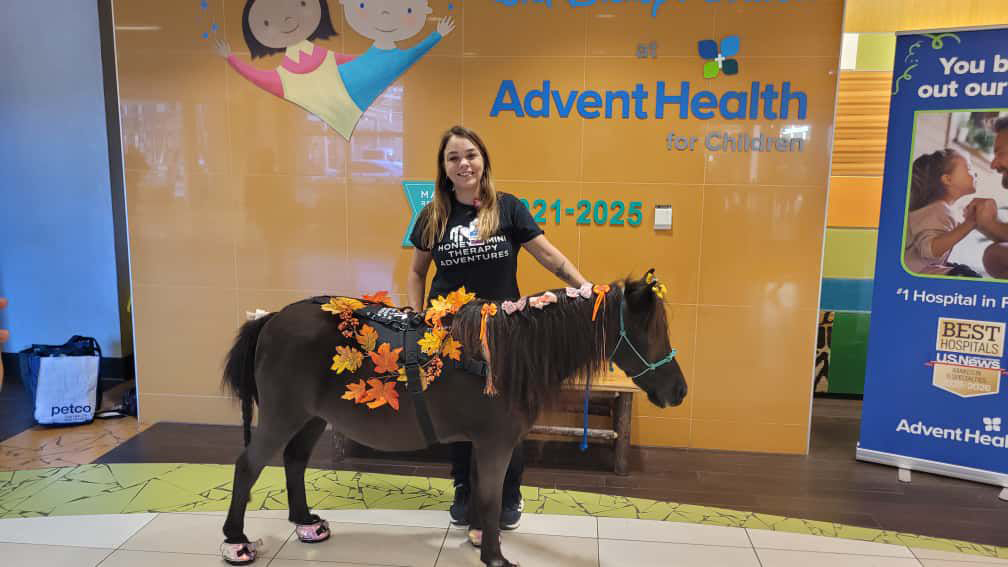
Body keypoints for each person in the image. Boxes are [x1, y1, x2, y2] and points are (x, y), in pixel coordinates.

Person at [407, 125, 588, 530]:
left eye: (469, 154)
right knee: (457, 415)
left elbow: (550, 258)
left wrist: (585, 288)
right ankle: (463, 490)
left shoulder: (508, 208)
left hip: (505, 333)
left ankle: (509, 493)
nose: (463, 163)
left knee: (508, 415)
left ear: (483, 159)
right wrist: (417, 318)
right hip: (449, 333)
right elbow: (417, 272)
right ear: (444, 168)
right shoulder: (433, 214)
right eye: (453, 157)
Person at [216, 0, 453, 140]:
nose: (288, 22)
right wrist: (231, 59)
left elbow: (366, 63)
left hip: (347, 103)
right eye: (267, 23)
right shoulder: (285, 76)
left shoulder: (329, 59)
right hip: (343, 105)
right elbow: (260, 77)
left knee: (389, 61)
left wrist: (436, 36)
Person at [904, 148, 982, 276]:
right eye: (969, 169)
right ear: (947, 179)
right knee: (967, 275)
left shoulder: (940, 210)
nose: (975, 173)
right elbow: (930, 250)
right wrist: (968, 224)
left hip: (925, 268)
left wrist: (966, 222)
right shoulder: (938, 210)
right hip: (916, 274)